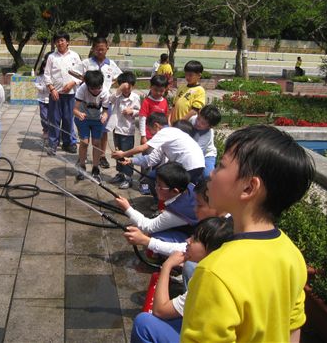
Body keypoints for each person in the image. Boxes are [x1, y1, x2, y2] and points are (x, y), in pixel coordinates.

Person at [181, 124, 315, 343]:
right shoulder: (292, 255)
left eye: (221, 166)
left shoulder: (214, 272)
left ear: (249, 188)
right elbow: (293, 327)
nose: (211, 173)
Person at [131, 216, 234, 343]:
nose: (188, 240)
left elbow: (159, 310)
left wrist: (167, 266)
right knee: (190, 266)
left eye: (195, 239)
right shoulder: (226, 266)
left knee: (143, 323)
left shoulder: (206, 280)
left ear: (210, 250)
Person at [114, 114, 205, 187]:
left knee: (172, 187)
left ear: (156, 125)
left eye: (150, 129)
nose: (151, 133)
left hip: (188, 165)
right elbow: (151, 159)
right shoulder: (171, 135)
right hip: (199, 164)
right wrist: (130, 160)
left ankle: (166, 203)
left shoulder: (164, 132)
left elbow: (143, 147)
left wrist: (123, 154)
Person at [114, 162, 198, 242]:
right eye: (156, 183)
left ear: (175, 191)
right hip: (194, 227)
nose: (155, 187)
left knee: (153, 236)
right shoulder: (190, 186)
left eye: (160, 186)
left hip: (194, 236)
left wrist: (127, 208)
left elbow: (148, 226)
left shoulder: (177, 211)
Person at [77, 37, 122, 169]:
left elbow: (119, 77)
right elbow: (74, 72)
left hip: (104, 101)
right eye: (97, 49)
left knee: (103, 132)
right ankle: (82, 158)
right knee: (85, 137)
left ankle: (102, 156)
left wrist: (109, 84)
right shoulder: (87, 62)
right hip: (88, 101)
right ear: (93, 49)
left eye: (102, 49)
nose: (100, 52)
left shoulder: (111, 64)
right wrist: (84, 81)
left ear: (107, 48)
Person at [43, 31, 81, 156]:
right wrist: (52, 89)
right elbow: (47, 75)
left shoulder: (74, 56)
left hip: (71, 94)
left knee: (68, 119)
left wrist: (73, 83)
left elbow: (80, 74)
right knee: (54, 120)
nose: (60, 43)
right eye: (57, 41)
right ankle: (53, 144)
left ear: (67, 42)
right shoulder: (51, 57)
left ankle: (68, 143)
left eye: (62, 40)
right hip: (55, 94)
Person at [73, 70, 110, 183]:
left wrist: (104, 116)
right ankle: (82, 166)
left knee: (96, 143)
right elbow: (74, 109)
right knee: (84, 142)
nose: (96, 91)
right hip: (83, 118)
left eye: (98, 88)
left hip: (97, 120)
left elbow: (105, 111)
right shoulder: (82, 89)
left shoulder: (105, 92)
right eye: (93, 88)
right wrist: (79, 114)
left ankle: (95, 169)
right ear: (87, 85)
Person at [107, 71, 140, 189]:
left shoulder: (135, 97)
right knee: (118, 152)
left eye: (128, 87)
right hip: (117, 129)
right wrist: (119, 89)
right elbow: (109, 100)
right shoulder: (117, 96)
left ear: (133, 86)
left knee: (126, 153)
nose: (126, 90)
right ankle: (120, 173)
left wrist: (132, 112)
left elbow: (140, 111)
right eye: (123, 88)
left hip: (127, 130)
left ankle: (128, 177)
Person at [189, 104, 221, 179]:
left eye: (203, 123)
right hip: (192, 149)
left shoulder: (208, 134)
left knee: (207, 175)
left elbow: (195, 152)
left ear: (210, 126)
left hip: (206, 154)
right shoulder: (192, 119)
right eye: (198, 118)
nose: (198, 123)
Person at [34, 52, 52, 143]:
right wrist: (43, 88)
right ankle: (45, 129)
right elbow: (36, 84)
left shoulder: (53, 77)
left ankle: (51, 131)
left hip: (51, 99)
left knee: (52, 116)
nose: (46, 69)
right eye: (44, 67)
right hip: (42, 99)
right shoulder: (40, 77)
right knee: (44, 116)